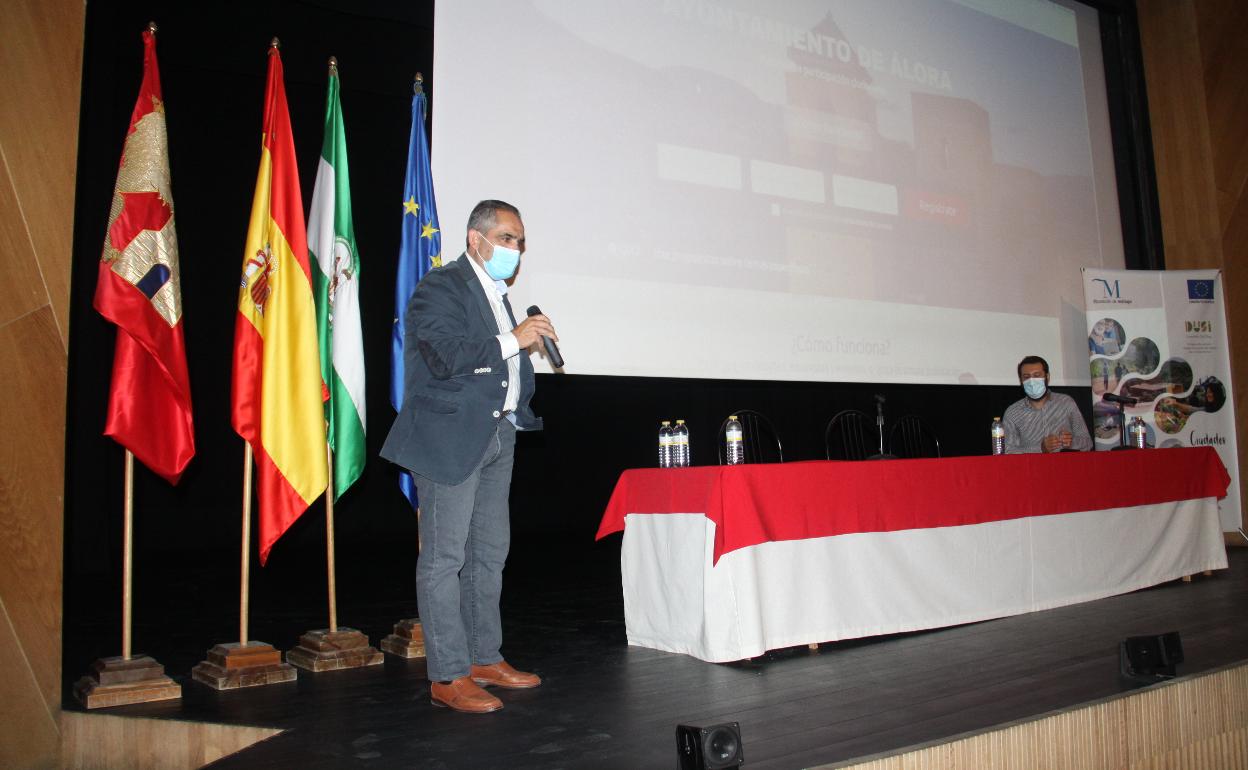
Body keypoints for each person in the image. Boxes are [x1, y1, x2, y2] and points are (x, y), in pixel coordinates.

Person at [381, 200, 557, 714]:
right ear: (475, 239)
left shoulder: (499, 295)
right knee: (444, 559)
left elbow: (496, 364)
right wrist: (513, 340)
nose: (515, 250)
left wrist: (521, 363)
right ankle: (447, 675)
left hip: (498, 436)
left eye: (520, 241)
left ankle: (483, 657)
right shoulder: (440, 287)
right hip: (448, 438)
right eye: (507, 238)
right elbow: (446, 356)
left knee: (489, 554)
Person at [1003, 355, 1092, 454]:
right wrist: (1040, 449)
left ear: (1047, 377)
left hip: (1065, 466)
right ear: (1021, 381)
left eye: (1037, 375)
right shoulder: (1013, 412)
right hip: (1032, 468)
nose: (1031, 381)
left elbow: (1088, 443)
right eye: (1026, 377)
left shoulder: (1066, 403)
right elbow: (1007, 451)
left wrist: (1071, 443)